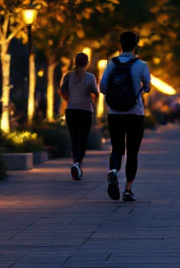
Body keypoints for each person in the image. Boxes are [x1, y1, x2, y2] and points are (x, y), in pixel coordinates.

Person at [100, 31, 151, 202]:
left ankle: (113, 171)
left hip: (115, 114)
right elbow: (148, 88)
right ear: (136, 45)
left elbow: (102, 87)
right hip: (135, 113)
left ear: (119, 44)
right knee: (133, 152)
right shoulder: (141, 65)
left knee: (117, 148)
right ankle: (128, 189)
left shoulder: (112, 64)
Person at [60, 53, 98, 181]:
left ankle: (76, 162)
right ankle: (77, 163)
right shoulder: (90, 77)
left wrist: (69, 99)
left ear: (75, 62)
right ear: (87, 63)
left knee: (74, 138)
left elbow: (61, 90)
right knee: (83, 139)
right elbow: (96, 92)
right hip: (85, 110)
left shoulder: (68, 76)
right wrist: (93, 98)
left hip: (71, 110)